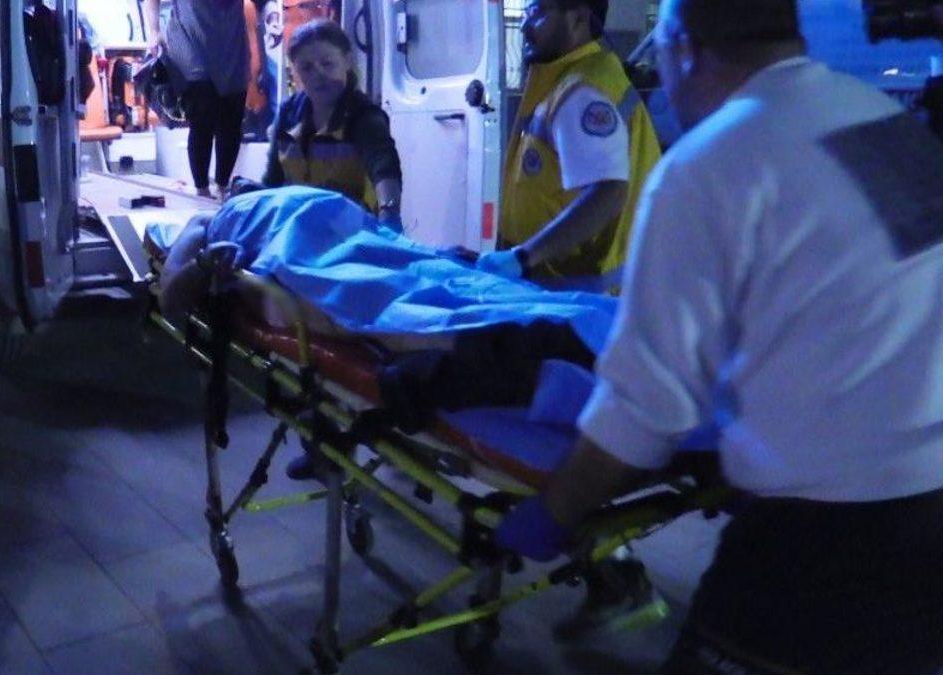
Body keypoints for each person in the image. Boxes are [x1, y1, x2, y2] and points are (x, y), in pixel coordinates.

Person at [496, 0, 943, 672]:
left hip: (829, 530)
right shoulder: (878, 117)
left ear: (683, 48)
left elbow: (645, 409)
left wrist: (556, 510)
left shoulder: (711, 165)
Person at [479, 0, 661, 294]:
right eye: (526, 13)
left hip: (580, 299)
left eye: (537, 12)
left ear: (577, 19)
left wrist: (524, 257)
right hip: (560, 289)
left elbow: (609, 192)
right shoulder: (568, 81)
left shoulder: (582, 91)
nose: (524, 25)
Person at [261, 19, 403, 229]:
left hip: (352, 233)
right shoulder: (288, 113)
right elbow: (272, 180)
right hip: (294, 229)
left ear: (347, 61)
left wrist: (389, 213)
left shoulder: (364, 116)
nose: (318, 74)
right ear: (296, 72)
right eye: (306, 68)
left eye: (327, 63)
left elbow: (384, 167)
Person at [143, 0, 249, 200]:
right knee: (202, 113)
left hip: (231, 39)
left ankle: (222, 187)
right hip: (189, 37)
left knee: (232, 118)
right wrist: (154, 31)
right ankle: (201, 190)